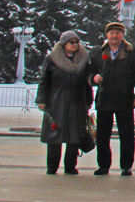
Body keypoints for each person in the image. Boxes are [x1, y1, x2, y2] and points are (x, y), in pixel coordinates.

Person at [90, 21, 135, 176]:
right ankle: (103, 165)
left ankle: (126, 165)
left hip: (124, 98)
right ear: (107, 35)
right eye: (111, 33)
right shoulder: (99, 52)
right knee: (102, 135)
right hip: (104, 98)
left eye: (117, 33)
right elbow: (90, 72)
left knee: (126, 135)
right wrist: (94, 78)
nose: (114, 36)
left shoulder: (131, 52)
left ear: (122, 35)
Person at [37, 30, 94, 175]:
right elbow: (44, 80)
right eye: (71, 42)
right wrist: (42, 100)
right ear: (63, 44)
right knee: (54, 136)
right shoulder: (52, 59)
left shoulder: (83, 59)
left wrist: (89, 99)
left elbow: (87, 83)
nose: (74, 45)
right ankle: (52, 166)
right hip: (56, 102)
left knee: (74, 135)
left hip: (77, 102)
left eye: (76, 42)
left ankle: (70, 166)